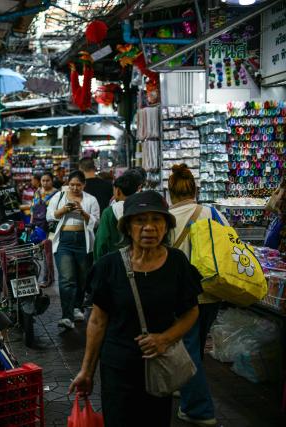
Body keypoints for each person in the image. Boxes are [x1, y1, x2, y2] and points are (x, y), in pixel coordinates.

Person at [70, 190, 202, 427]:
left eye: (156, 220)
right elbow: (98, 321)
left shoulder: (177, 263)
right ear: (128, 227)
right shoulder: (109, 267)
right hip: (118, 368)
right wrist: (86, 371)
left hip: (159, 365)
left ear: (165, 226)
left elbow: (191, 311)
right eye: (140, 220)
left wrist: (164, 339)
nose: (149, 228)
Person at [168, 164, 229, 427]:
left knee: (189, 348)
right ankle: (186, 387)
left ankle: (199, 409)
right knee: (195, 346)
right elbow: (230, 244)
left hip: (182, 295)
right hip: (211, 291)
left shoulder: (165, 217)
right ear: (195, 189)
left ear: (170, 192)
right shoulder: (212, 212)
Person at [46, 170, 100, 329]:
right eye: (72, 185)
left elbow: (96, 222)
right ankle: (67, 316)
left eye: (78, 185)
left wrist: (83, 213)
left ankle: (77, 307)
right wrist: (65, 210)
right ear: (67, 184)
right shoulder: (59, 197)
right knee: (67, 278)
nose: (75, 188)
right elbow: (51, 216)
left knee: (82, 278)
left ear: (84, 185)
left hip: (83, 241)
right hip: (64, 241)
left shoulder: (91, 199)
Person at [94, 171, 140, 260]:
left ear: (117, 191)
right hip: (140, 259)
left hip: (116, 259)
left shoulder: (110, 212)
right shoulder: (142, 208)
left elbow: (101, 241)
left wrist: (98, 263)